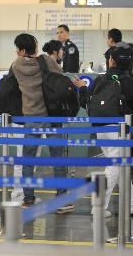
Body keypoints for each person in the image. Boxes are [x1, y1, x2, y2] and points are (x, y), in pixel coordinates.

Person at [11, 33, 73, 214]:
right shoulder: (45, 60)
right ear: (34, 47)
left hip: (31, 116)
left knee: (28, 161)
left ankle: (28, 199)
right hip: (51, 115)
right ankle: (62, 200)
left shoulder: (16, 65)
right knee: (58, 159)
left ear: (22, 50)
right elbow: (60, 77)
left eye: (16, 47)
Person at [72, 46, 133, 218]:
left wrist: (83, 88)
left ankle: (130, 205)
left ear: (111, 61)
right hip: (120, 129)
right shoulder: (129, 82)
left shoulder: (100, 80)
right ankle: (98, 207)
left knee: (122, 167)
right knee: (115, 167)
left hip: (100, 129)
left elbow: (85, 103)